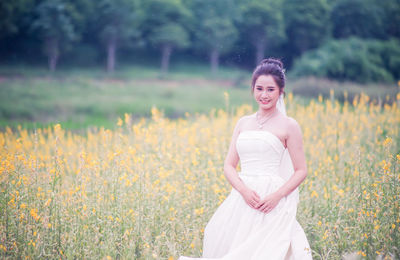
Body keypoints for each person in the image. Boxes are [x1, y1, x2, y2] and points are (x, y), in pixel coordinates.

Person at [178, 58, 312, 260]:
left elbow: (301, 170)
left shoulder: (289, 125)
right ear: (252, 89)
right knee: (227, 243)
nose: (264, 95)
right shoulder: (243, 123)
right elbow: (229, 166)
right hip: (242, 197)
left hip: (270, 199)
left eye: (270, 90)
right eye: (259, 89)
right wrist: (243, 191)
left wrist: (277, 196)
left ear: (281, 91)